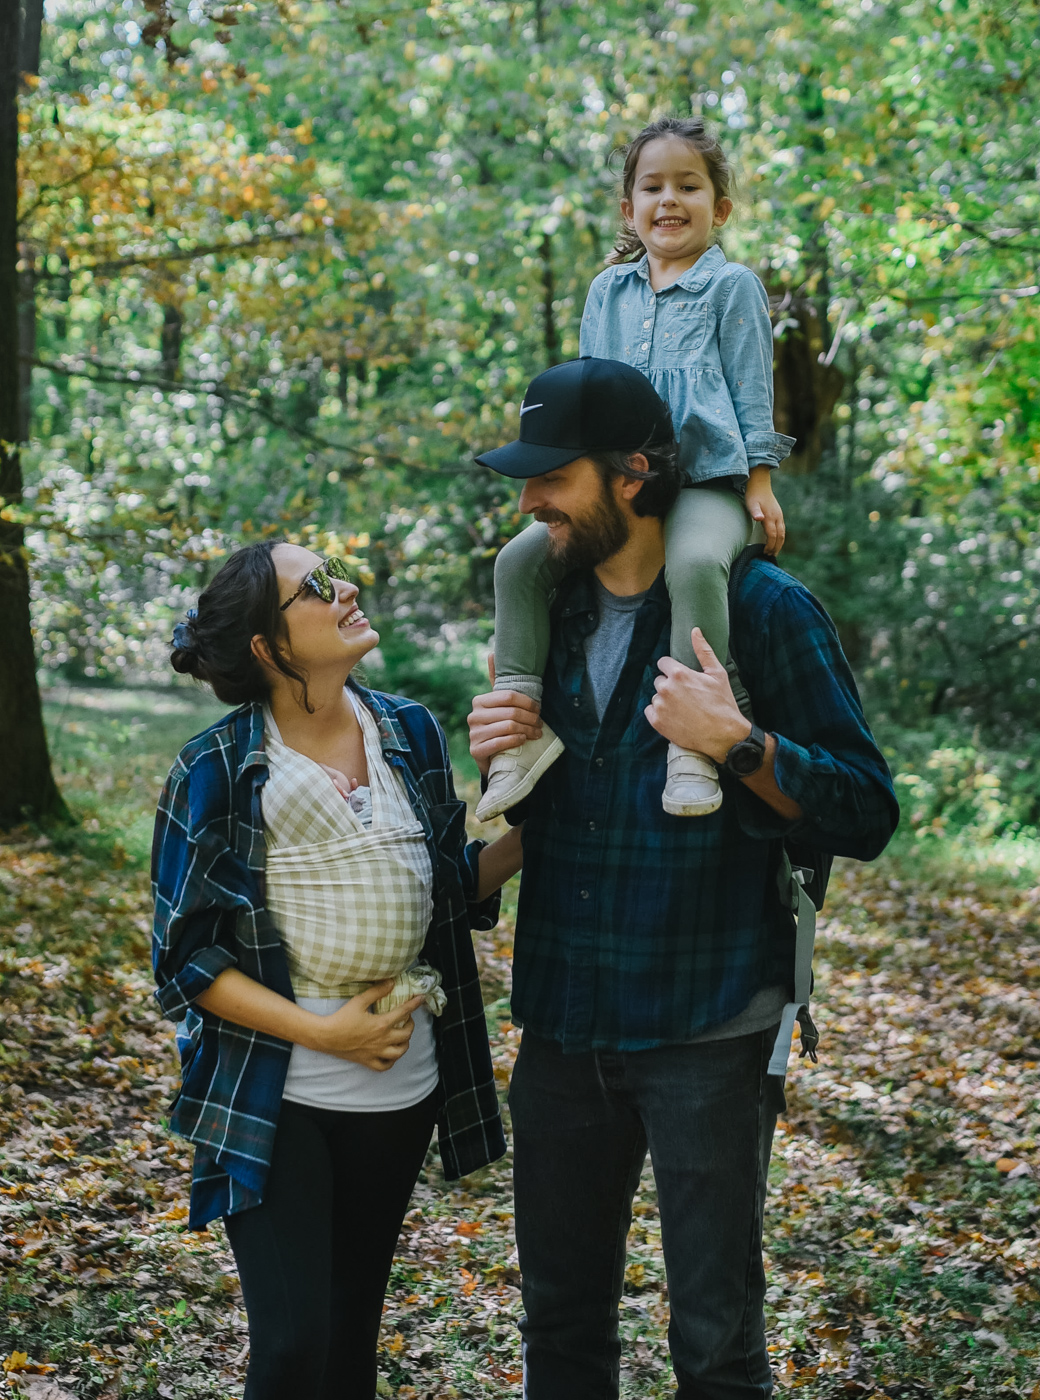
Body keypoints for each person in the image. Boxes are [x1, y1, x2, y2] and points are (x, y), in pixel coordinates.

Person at [468, 357, 898, 1400]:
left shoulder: (763, 608)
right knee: (560, 1325)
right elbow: (526, 822)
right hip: (565, 1025)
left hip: (707, 1027)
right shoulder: (546, 611)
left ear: (632, 473)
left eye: (549, 478)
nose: (527, 503)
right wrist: (495, 758)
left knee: (714, 1341)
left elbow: (866, 810)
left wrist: (739, 740)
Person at [151, 540, 522, 1400]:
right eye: (316, 586)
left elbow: (445, 889)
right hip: (272, 1091)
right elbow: (186, 959)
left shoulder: (410, 732)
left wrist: (536, 829)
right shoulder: (215, 768)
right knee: (292, 1349)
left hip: (404, 1088)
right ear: (266, 646)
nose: (347, 587)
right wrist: (324, 1032)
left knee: (351, 1336)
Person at [478, 114, 796, 825]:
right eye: (652, 186)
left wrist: (760, 484)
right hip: (621, 483)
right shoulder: (607, 293)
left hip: (705, 479)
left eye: (689, 185)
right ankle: (521, 730)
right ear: (629, 208)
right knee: (518, 563)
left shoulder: (731, 286)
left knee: (691, 566)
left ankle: (694, 741)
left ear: (720, 208)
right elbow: (589, 402)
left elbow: (750, 392)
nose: (669, 200)